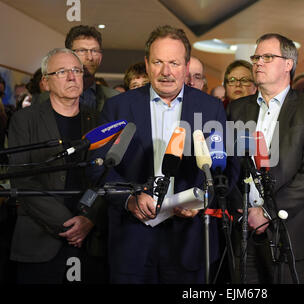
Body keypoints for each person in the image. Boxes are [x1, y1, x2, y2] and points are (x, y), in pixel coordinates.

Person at [95, 25, 229, 284]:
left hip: (189, 243)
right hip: (132, 241)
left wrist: (201, 199)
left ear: (186, 66)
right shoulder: (117, 107)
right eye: (158, 62)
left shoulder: (211, 108)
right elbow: (99, 166)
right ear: (147, 64)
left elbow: (222, 168)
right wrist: (129, 199)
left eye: (174, 63)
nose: (166, 71)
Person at [227, 33, 304, 284]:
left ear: (288, 64)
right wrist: (240, 207)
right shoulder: (238, 108)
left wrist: (266, 212)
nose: (258, 63)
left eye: (267, 57)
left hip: (292, 231)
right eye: (256, 57)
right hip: (245, 231)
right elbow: (230, 165)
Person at [7, 48, 108, 284]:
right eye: (62, 72)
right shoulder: (25, 120)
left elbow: (106, 176)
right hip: (39, 242)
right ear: (45, 81)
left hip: (91, 243)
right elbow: (22, 178)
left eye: (76, 70)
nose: (72, 77)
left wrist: (89, 219)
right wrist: (69, 224)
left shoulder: (98, 120)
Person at [64, 25, 118, 112]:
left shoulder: (115, 98)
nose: (90, 57)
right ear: (68, 55)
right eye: (82, 51)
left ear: (100, 57)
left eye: (94, 51)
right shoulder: (51, 98)